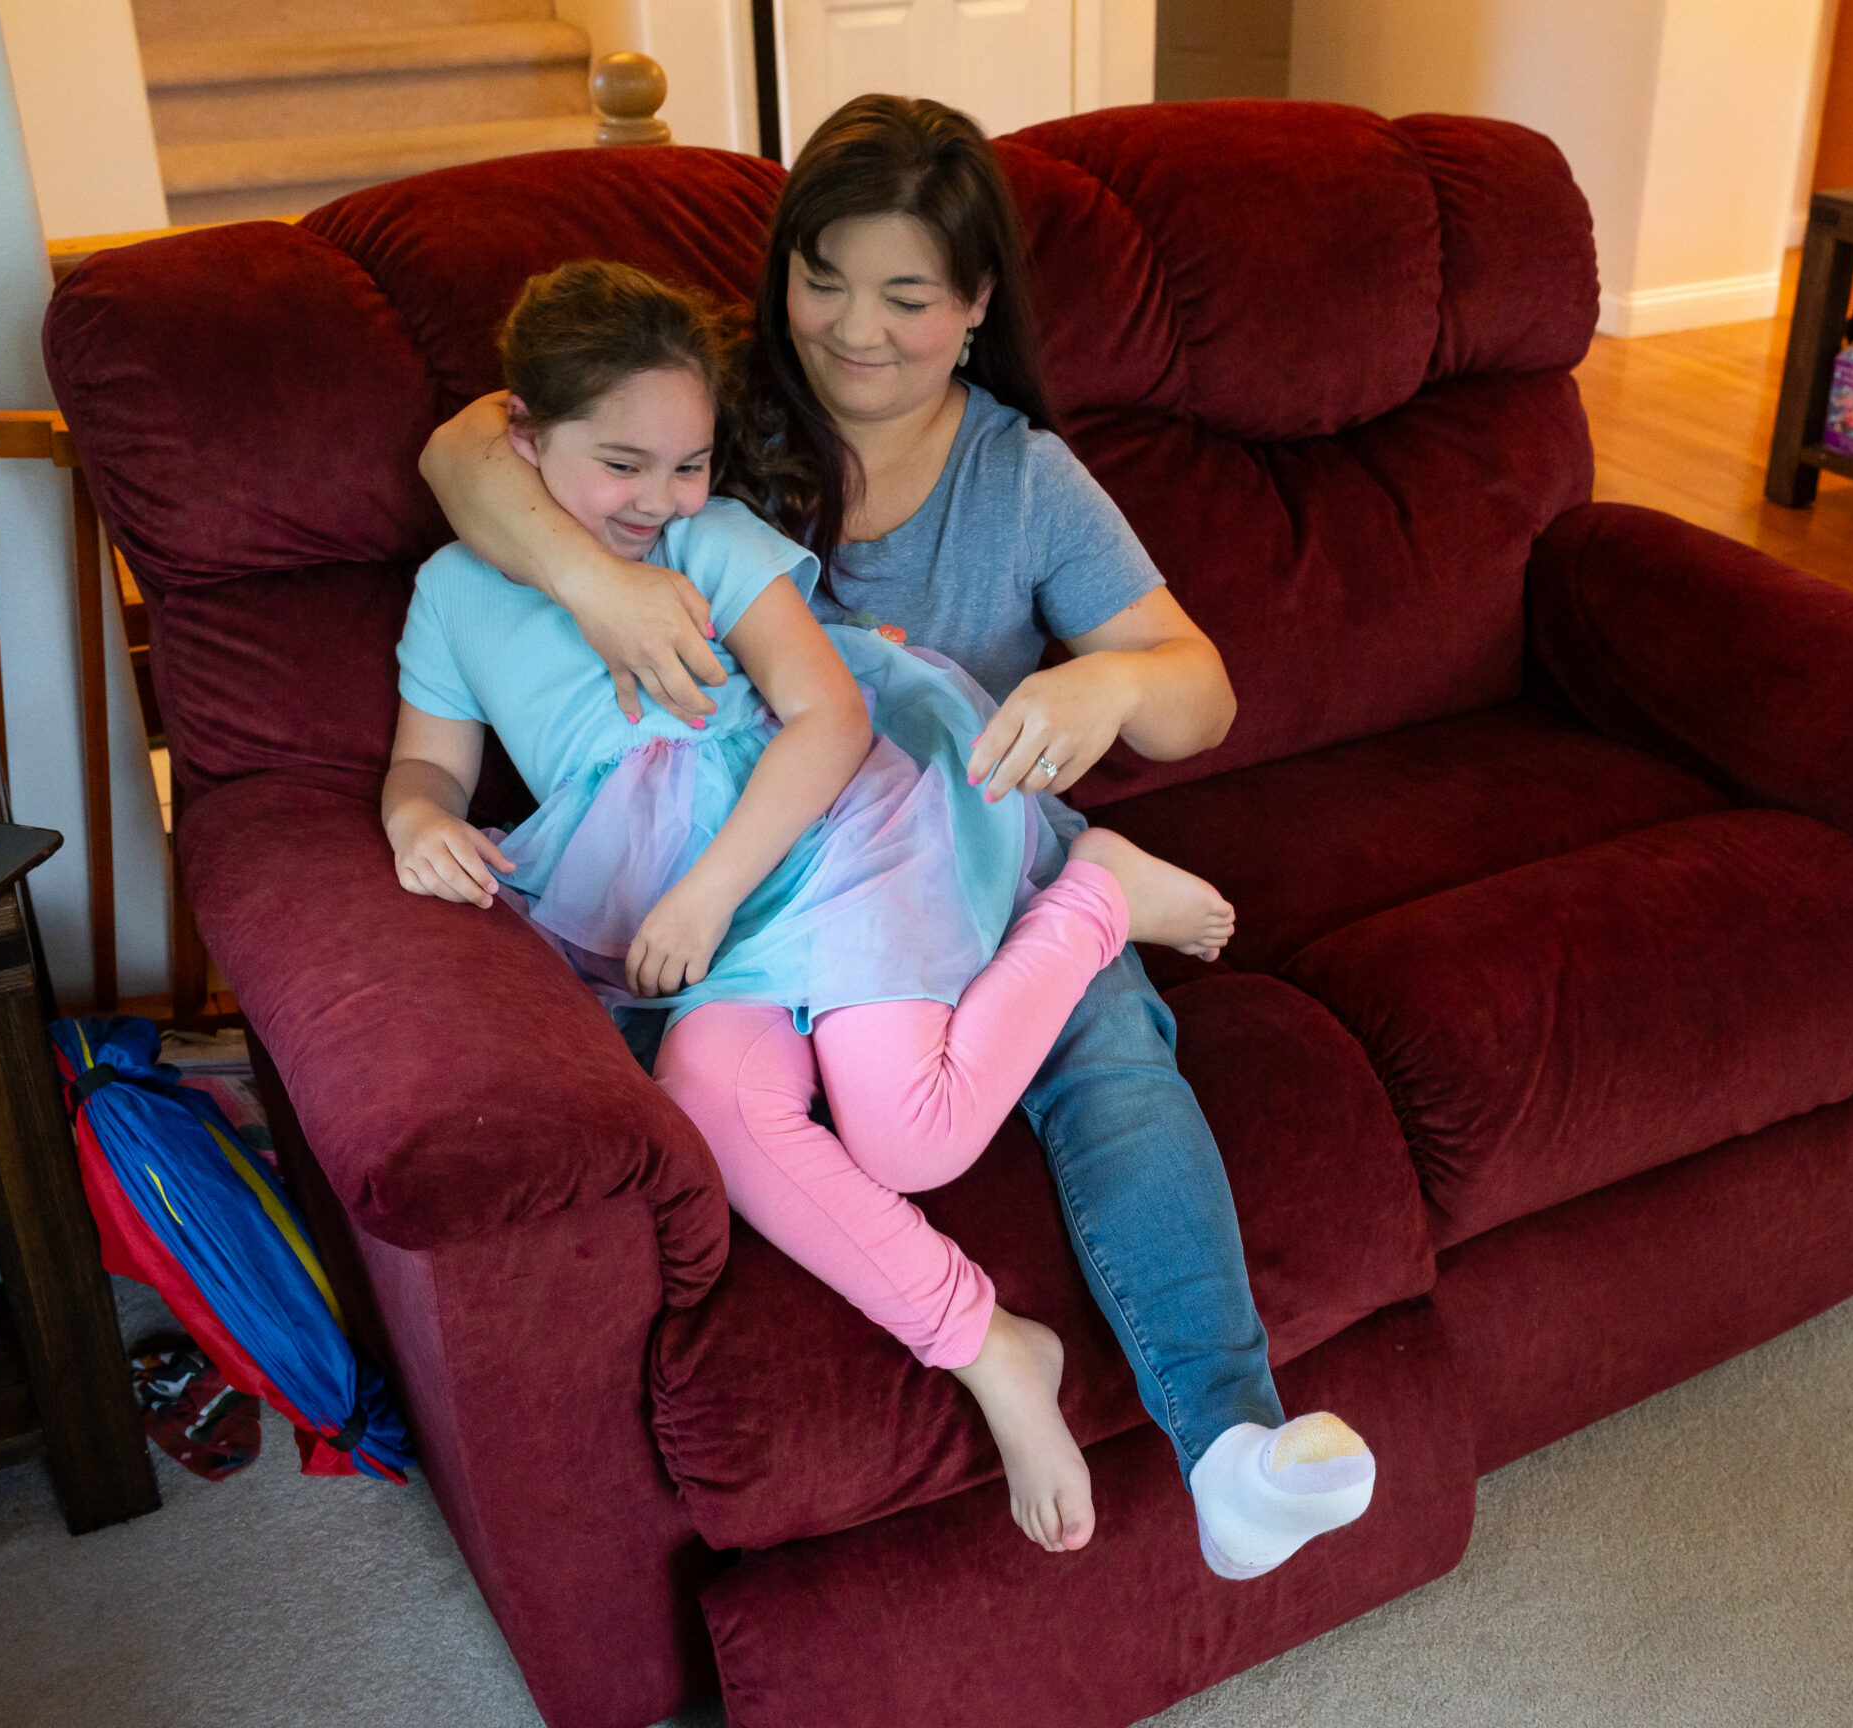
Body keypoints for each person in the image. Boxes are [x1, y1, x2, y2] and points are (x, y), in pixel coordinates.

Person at [417, 98, 1377, 1581]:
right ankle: (1000, 1336)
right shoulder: (710, 421)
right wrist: (592, 587)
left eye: (908, 299)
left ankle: (1232, 1450)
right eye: (823, 282)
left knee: (1115, 1069)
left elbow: (1201, 697)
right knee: (735, 1086)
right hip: (761, 885)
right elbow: (471, 450)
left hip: (963, 865)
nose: (855, 332)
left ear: (978, 307)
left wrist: (1105, 677)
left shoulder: (1024, 480)